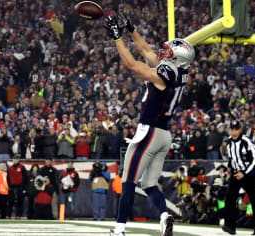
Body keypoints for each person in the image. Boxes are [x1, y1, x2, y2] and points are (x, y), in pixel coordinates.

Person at [104, 13, 195, 236]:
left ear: (176, 59)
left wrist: (117, 38)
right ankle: (165, 216)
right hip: (164, 135)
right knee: (150, 184)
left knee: (128, 181)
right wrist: (130, 29)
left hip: (149, 133)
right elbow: (146, 51)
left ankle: (119, 229)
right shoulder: (179, 72)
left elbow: (131, 64)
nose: (164, 53)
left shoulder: (164, 75)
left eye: (169, 52)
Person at [221, 120, 255, 235]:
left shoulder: (246, 141)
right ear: (229, 129)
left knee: (254, 200)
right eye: (232, 129)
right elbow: (232, 158)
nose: (234, 132)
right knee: (229, 198)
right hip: (236, 172)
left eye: (236, 129)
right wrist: (230, 167)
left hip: (251, 174)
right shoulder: (228, 142)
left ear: (240, 130)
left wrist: (244, 173)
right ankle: (230, 226)